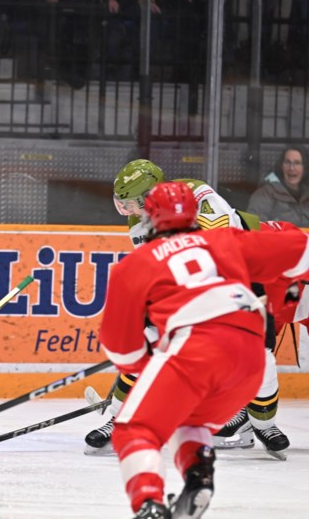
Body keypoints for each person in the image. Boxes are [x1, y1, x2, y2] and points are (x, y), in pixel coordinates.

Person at [95, 181, 309, 519]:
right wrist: (285, 293)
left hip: (197, 350)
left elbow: (122, 351)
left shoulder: (139, 262)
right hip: (251, 354)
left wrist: (154, 356)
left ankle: (149, 509)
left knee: (134, 428)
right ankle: (198, 478)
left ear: (150, 218)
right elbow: (299, 249)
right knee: (190, 420)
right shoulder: (228, 239)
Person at [84, 158, 292, 458]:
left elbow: (223, 250)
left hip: (244, 272)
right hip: (192, 280)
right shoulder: (138, 223)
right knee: (146, 340)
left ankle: (263, 424)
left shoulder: (198, 196)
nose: (127, 212)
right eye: (123, 205)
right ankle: (119, 415)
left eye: (130, 204)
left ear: (147, 195)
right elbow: (157, 266)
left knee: (261, 357)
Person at [246, 146, 309, 227]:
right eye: (287, 162)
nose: (292, 168)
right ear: (281, 166)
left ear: (305, 168)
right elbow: (253, 226)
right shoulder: (266, 193)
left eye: (297, 163)